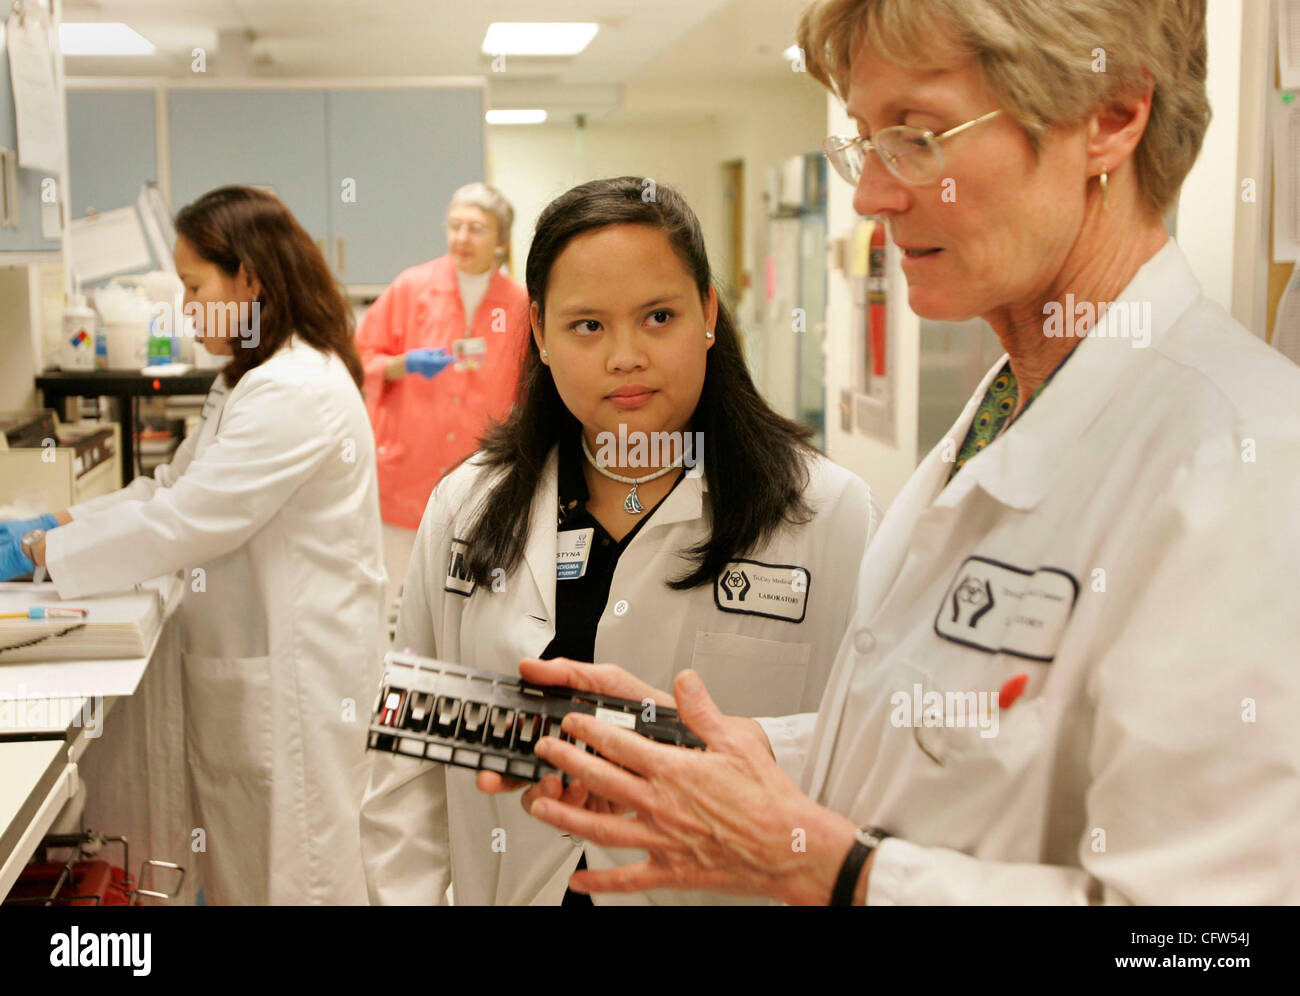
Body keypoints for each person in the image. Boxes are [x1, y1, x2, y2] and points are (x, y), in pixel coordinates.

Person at [501, 0, 1300, 905]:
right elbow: (943, 755)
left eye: (918, 136)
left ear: (1112, 116)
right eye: (866, 142)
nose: (872, 195)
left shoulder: (1245, 464)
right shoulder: (1006, 412)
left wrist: (832, 869)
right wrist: (735, 757)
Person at [359, 177, 880, 905]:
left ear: (707, 312)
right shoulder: (468, 507)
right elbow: (409, 776)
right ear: (539, 332)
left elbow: (869, 755)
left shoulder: (827, 516)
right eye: (588, 326)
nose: (625, 356)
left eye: (658, 316)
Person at [1, 186, 385, 905]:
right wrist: (59, 524)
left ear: (250, 278)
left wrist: (51, 553)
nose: (186, 307)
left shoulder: (294, 390)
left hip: (301, 682)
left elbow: (187, 521)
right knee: (254, 867)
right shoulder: (247, 380)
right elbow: (169, 488)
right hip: (263, 674)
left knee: (298, 873)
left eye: (193, 286)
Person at [355, 182, 530, 611]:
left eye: (475, 229)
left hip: (477, 476)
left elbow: (530, 389)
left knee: (458, 604)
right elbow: (356, 359)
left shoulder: (519, 303)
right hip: (405, 473)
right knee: (387, 597)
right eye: (454, 227)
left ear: (501, 240)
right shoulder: (411, 289)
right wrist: (402, 364)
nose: (462, 239)